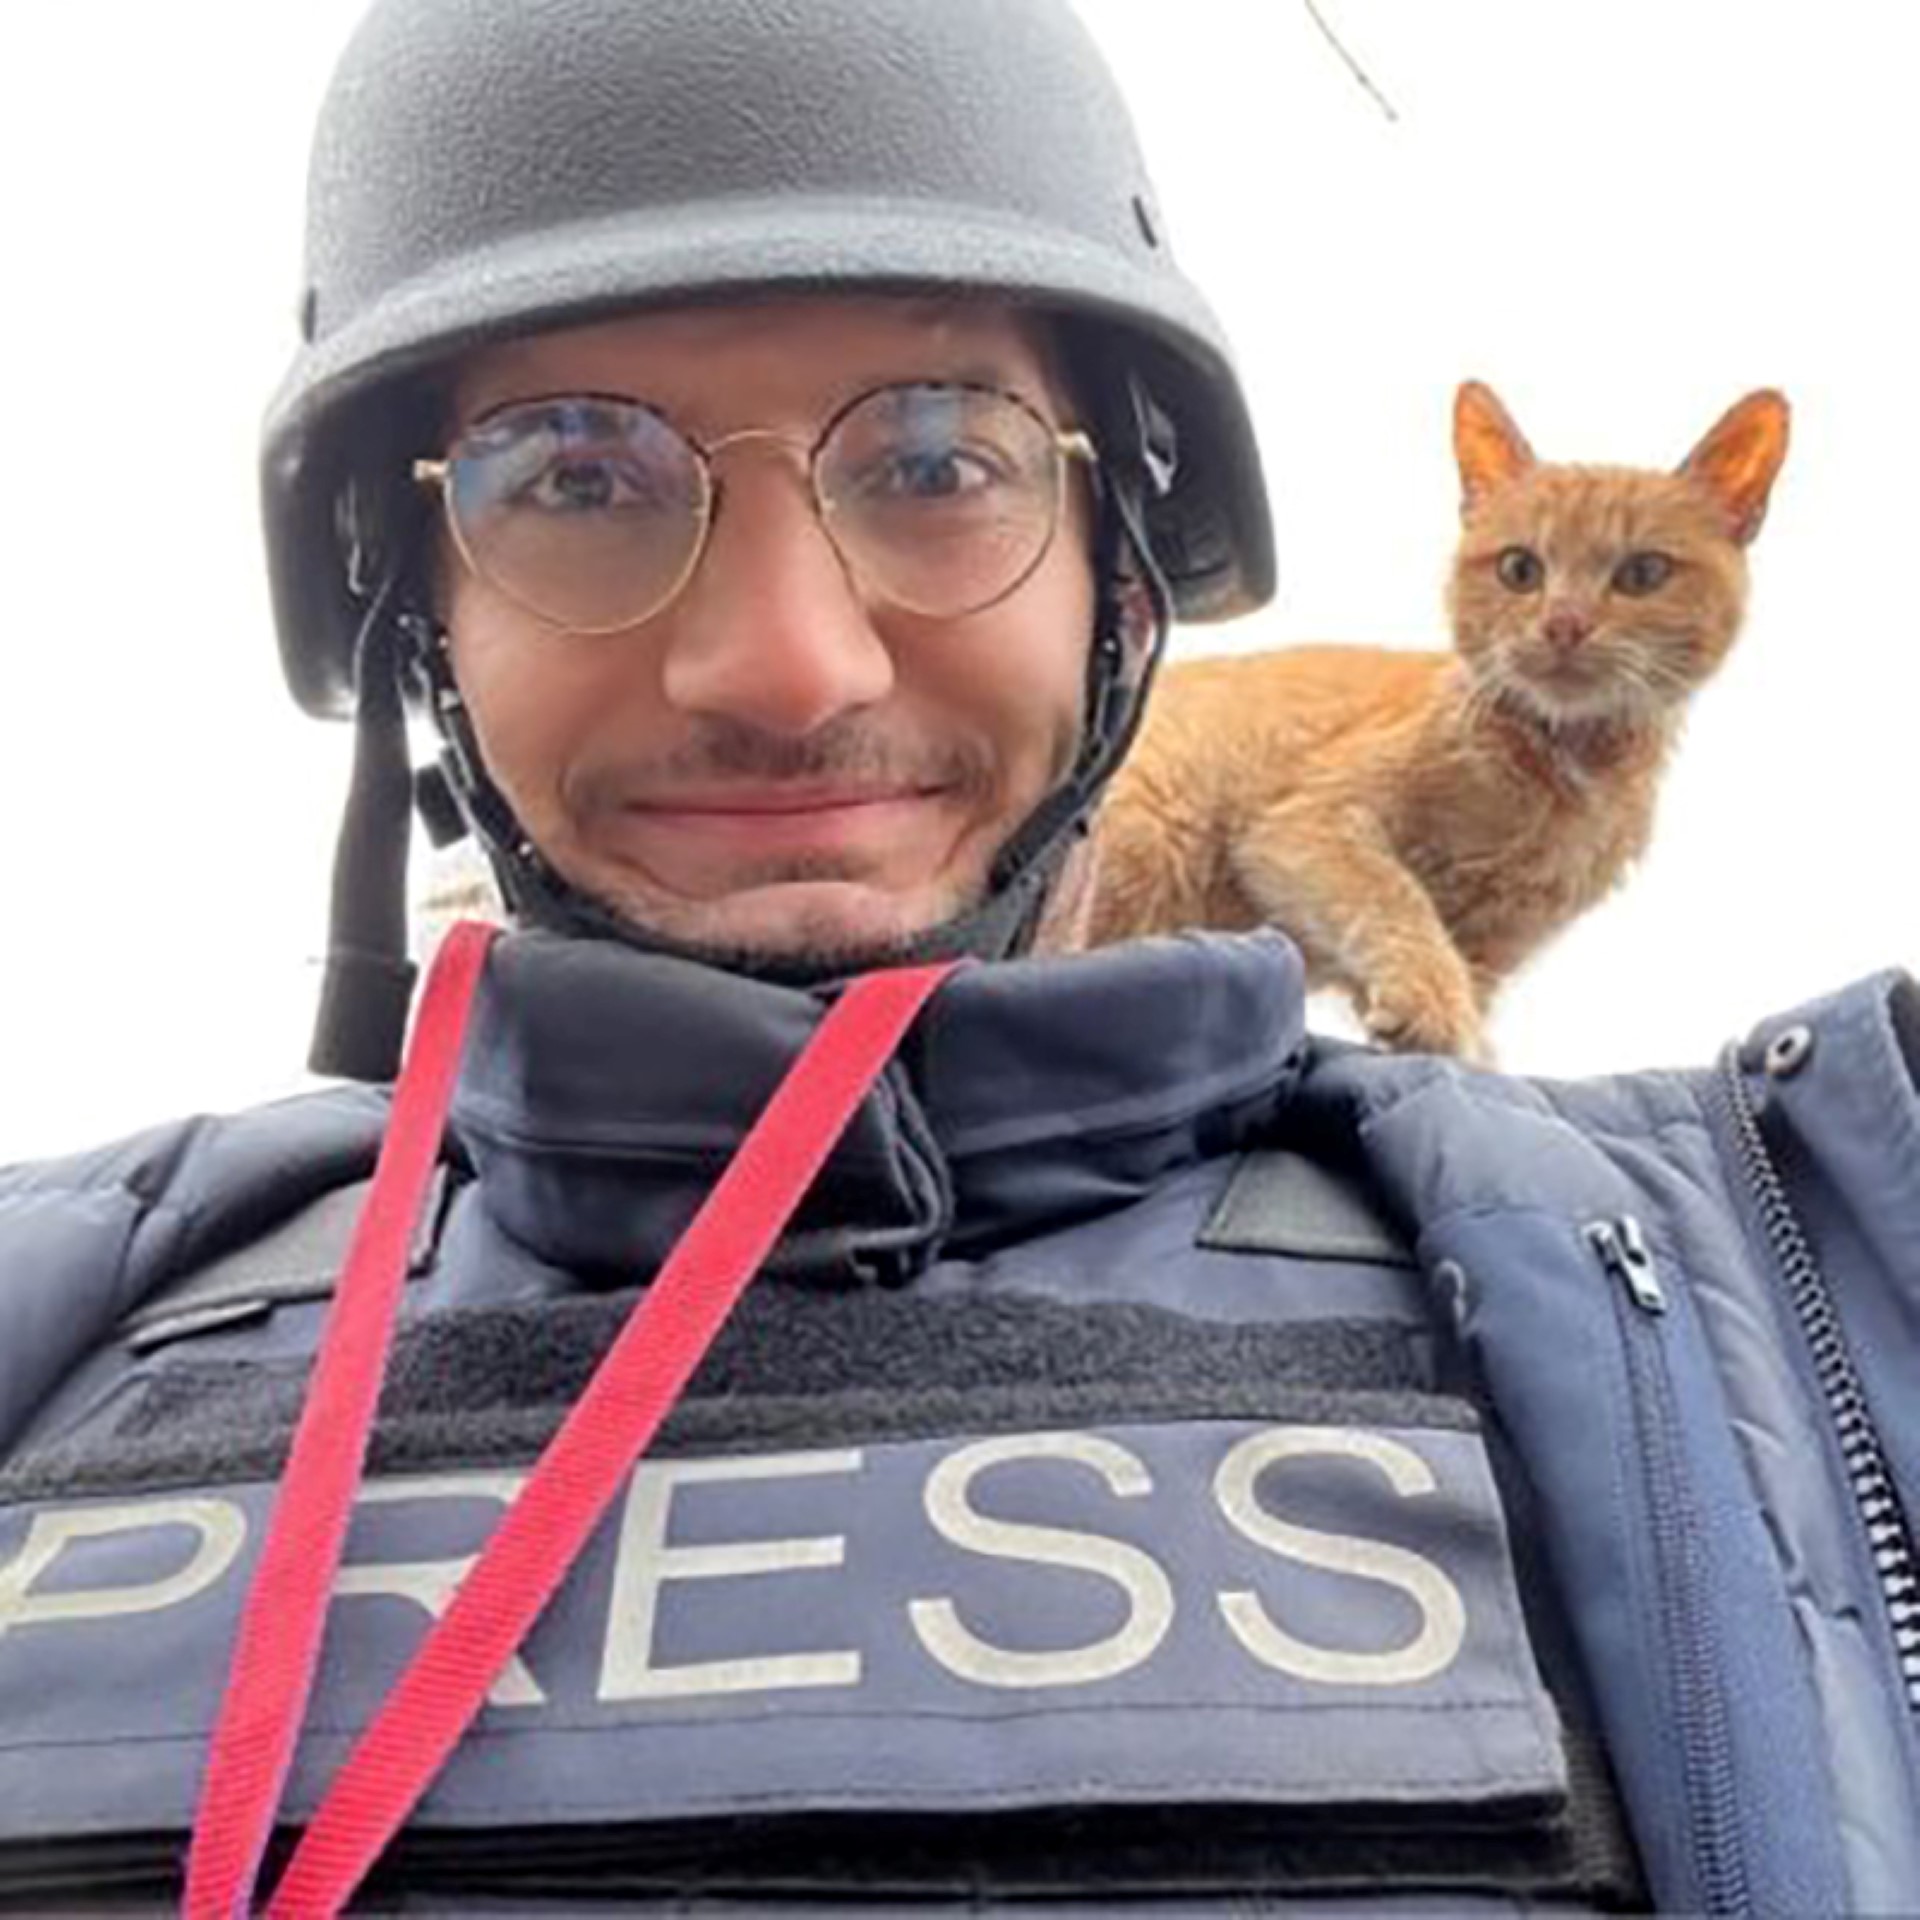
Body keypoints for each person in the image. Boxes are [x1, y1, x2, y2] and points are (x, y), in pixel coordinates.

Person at [0, 0, 1914, 1912]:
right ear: (407, 608)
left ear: (1127, 569)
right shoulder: (69, 1297)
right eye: (574, 475)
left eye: (937, 461)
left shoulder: (1762, 1256)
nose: (786, 667)